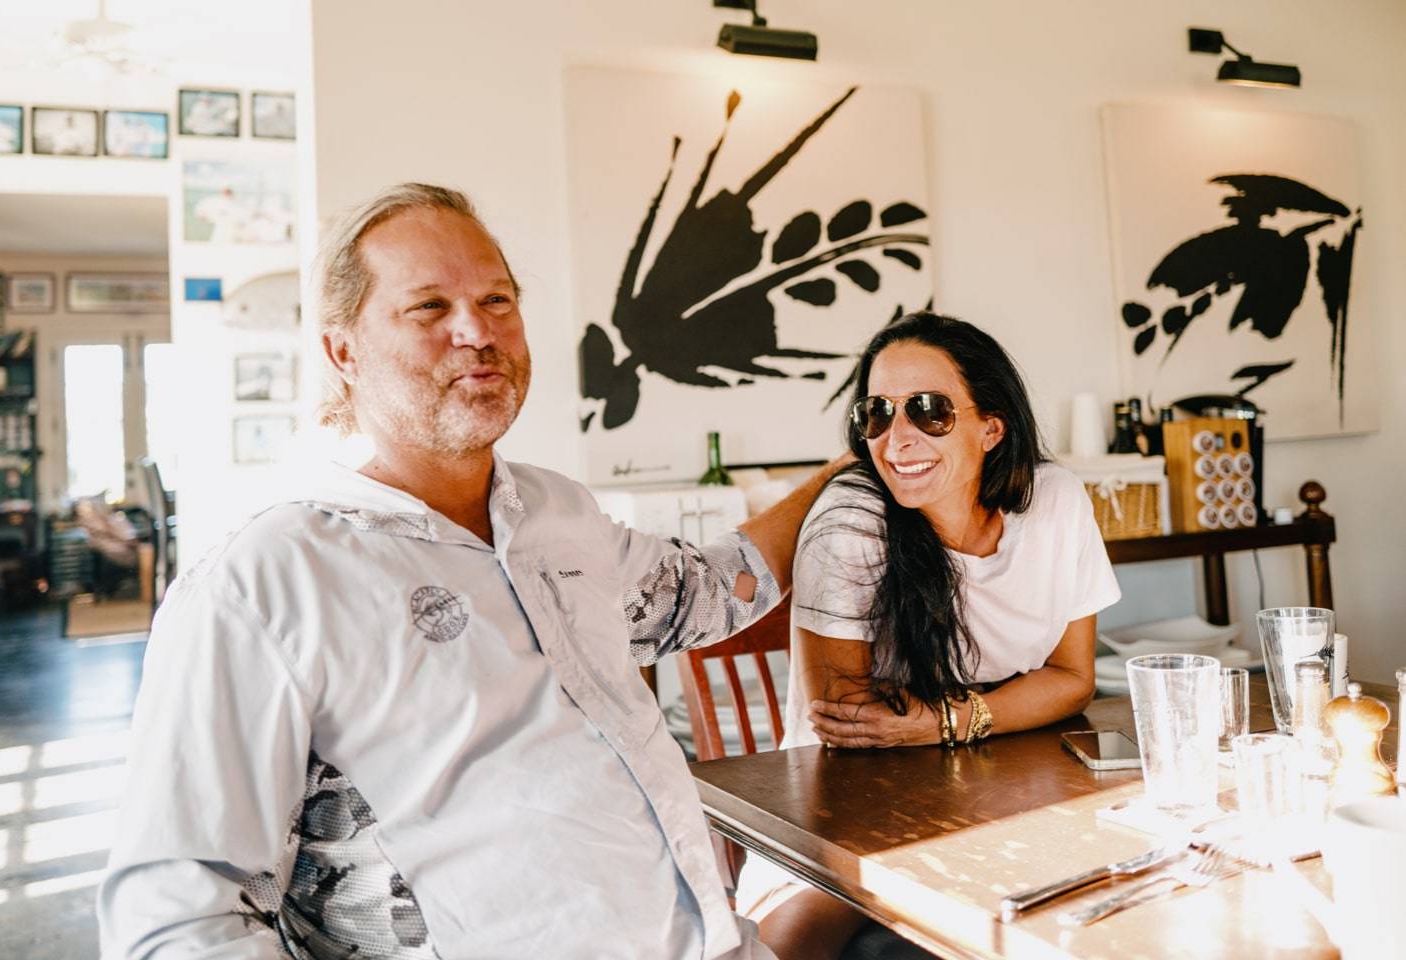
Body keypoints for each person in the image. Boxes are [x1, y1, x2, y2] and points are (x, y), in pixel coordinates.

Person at [98, 182, 846, 960]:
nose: (477, 331)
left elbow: (706, 589)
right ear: (342, 351)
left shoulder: (557, 512)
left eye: (497, 300)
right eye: (429, 307)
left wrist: (853, 471)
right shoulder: (265, 582)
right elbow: (179, 922)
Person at [737, 311, 1122, 960]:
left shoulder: (1056, 503)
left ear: (991, 426)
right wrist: (999, 710)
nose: (897, 438)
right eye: (877, 415)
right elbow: (849, 726)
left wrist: (938, 721)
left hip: (1005, 804)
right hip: (843, 820)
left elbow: (1072, 678)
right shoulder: (852, 519)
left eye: (928, 411)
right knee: (798, 938)